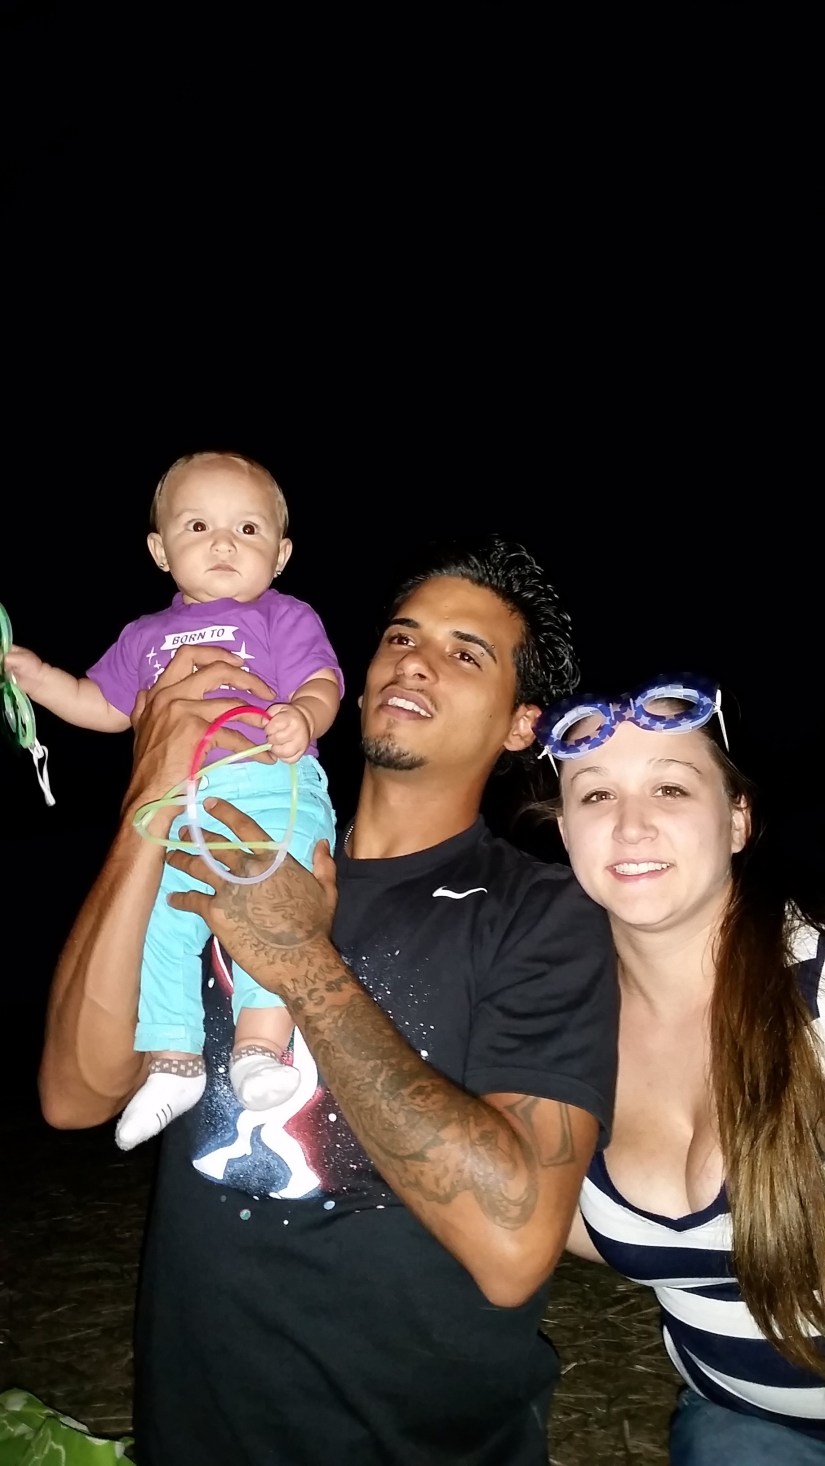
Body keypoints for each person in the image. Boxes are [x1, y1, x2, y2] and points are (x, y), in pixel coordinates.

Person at [39, 534, 619, 1466]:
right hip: (195, 1434)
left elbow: (512, 1248)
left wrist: (301, 961)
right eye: (400, 637)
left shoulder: (543, 914)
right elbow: (76, 1095)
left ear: (521, 724)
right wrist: (154, 796)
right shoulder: (232, 842)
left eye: (466, 653)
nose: (414, 661)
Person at [9, 450, 343, 1150]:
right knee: (161, 919)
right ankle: (174, 1060)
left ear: (281, 555)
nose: (223, 543)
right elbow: (103, 705)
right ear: (161, 550)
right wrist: (36, 678)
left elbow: (321, 682)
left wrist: (303, 717)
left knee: (274, 907)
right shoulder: (142, 636)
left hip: (270, 785)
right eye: (198, 526)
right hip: (180, 803)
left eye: (247, 529)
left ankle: (259, 1049)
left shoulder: (283, 616)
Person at [535, 674, 825, 1462]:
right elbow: (544, 1215)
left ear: (735, 820)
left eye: (669, 788)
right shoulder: (555, 1025)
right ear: (565, 831)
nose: (630, 826)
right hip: (742, 1426)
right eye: (596, 795)